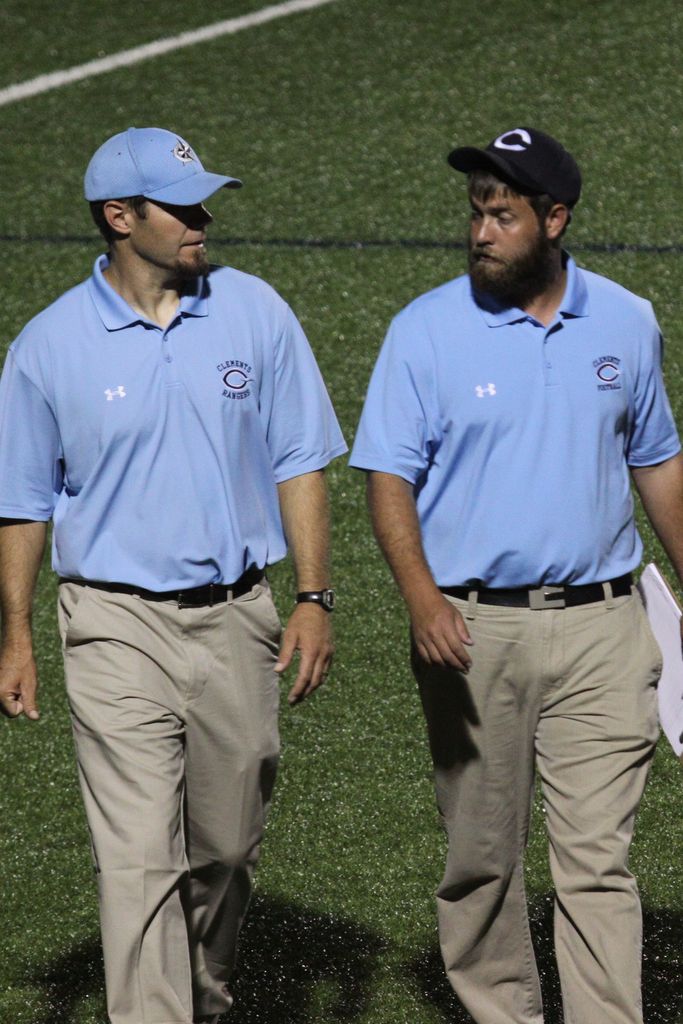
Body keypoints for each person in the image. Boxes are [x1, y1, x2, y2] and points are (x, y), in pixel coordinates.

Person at [0, 126, 346, 1024]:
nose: (202, 223)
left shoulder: (254, 311)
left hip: (238, 617)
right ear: (120, 217)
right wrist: (17, 635)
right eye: (183, 207)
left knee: (226, 851)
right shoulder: (48, 347)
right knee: (138, 859)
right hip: (112, 624)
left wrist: (313, 596)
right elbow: (23, 503)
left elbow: (300, 459)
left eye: (204, 205)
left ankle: (204, 996)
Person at [349, 126, 683, 1024]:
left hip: (606, 628)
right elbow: (387, 479)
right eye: (475, 214)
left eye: (501, 216)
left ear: (554, 219)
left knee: (597, 862)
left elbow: (656, 461)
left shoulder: (625, 320)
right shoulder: (424, 331)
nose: (480, 233)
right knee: (481, 859)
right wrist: (421, 599)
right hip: (471, 631)